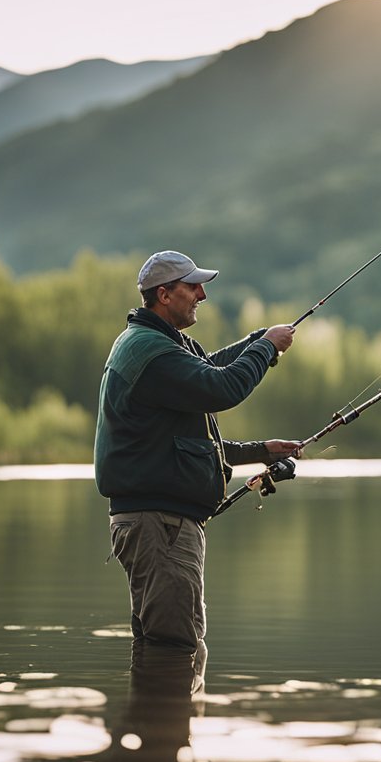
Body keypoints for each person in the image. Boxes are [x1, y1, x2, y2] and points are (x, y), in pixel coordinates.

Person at [94, 249, 299, 685]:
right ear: (164, 295)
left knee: (162, 650)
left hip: (159, 523)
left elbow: (200, 398)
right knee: (178, 647)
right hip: (161, 526)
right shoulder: (151, 351)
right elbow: (220, 387)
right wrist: (265, 348)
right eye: (193, 286)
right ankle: (164, 746)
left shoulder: (157, 345)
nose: (202, 294)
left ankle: (157, 742)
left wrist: (260, 450)